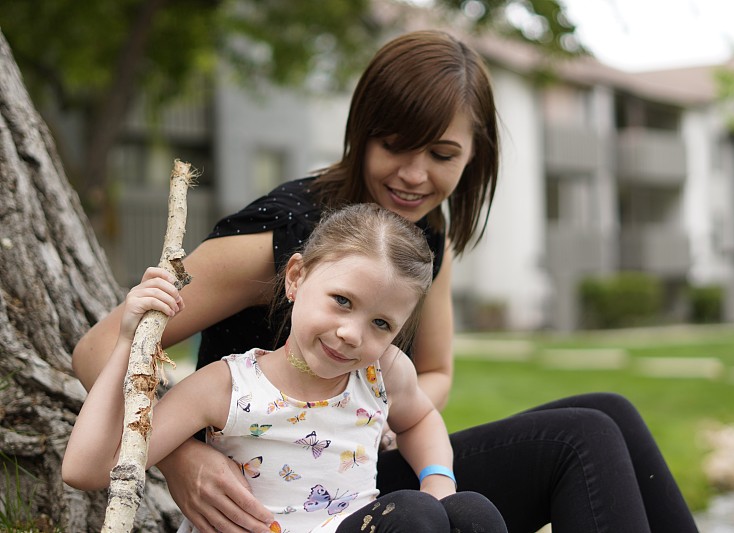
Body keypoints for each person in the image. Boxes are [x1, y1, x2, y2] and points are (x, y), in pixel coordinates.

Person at [71, 30, 699, 533]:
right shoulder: (287, 235)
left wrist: (385, 409)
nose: (414, 176)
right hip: (272, 490)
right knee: (583, 436)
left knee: (609, 413)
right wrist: (182, 457)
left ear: (473, 154)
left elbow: (434, 373)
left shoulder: (427, 235)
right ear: (362, 132)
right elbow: (98, 349)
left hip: (359, 467)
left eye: (442, 156)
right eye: (395, 145)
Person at [63, 204, 508, 533]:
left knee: (470, 514)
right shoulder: (226, 387)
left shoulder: (382, 375)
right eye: (342, 301)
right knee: (414, 516)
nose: (352, 334)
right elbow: (85, 469)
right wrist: (127, 342)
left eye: (380, 323)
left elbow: (421, 419)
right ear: (296, 277)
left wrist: (438, 481)